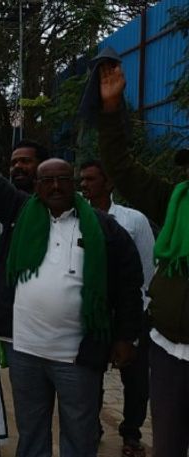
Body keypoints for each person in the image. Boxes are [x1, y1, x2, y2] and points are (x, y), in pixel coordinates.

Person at [0, 141, 143, 455]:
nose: (55, 186)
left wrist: (126, 337)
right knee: (32, 429)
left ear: (73, 184)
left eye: (62, 179)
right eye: (47, 180)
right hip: (25, 350)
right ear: (36, 186)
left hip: (77, 353)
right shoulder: (20, 216)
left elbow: (129, 284)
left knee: (79, 430)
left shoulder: (103, 227)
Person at [97, 61, 189, 457]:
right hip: (169, 350)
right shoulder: (174, 203)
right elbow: (121, 167)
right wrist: (112, 109)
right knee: (167, 445)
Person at [79, 159, 155, 454]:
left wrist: (141, 316)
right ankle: (92, 427)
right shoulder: (77, 219)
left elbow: (147, 269)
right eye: (82, 180)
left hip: (130, 311)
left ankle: (131, 433)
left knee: (134, 379)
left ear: (108, 183)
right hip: (94, 313)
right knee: (90, 376)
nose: (84, 185)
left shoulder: (133, 219)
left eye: (91, 179)